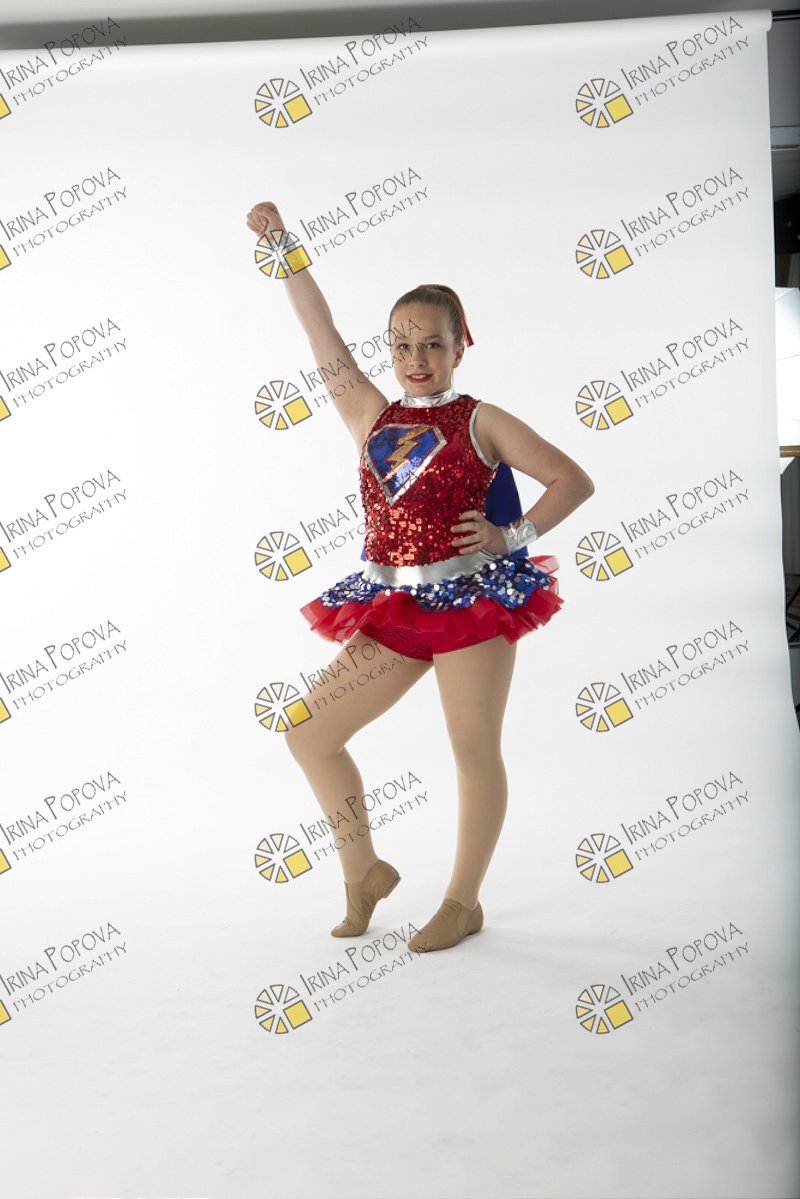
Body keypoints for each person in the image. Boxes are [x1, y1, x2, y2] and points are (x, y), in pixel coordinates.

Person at [246, 200, 595, 953]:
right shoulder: (370, 416)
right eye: (402, 344)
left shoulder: (480, 419)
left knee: (471, 748)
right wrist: (283, 247)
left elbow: (573, 479)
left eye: (432, 343)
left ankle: (463, 902)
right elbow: (319, 332)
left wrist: (511, 535)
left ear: (460, 345)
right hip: (397, 603)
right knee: (309, 732)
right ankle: (363, 872)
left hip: (472, 601)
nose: (415, 358)